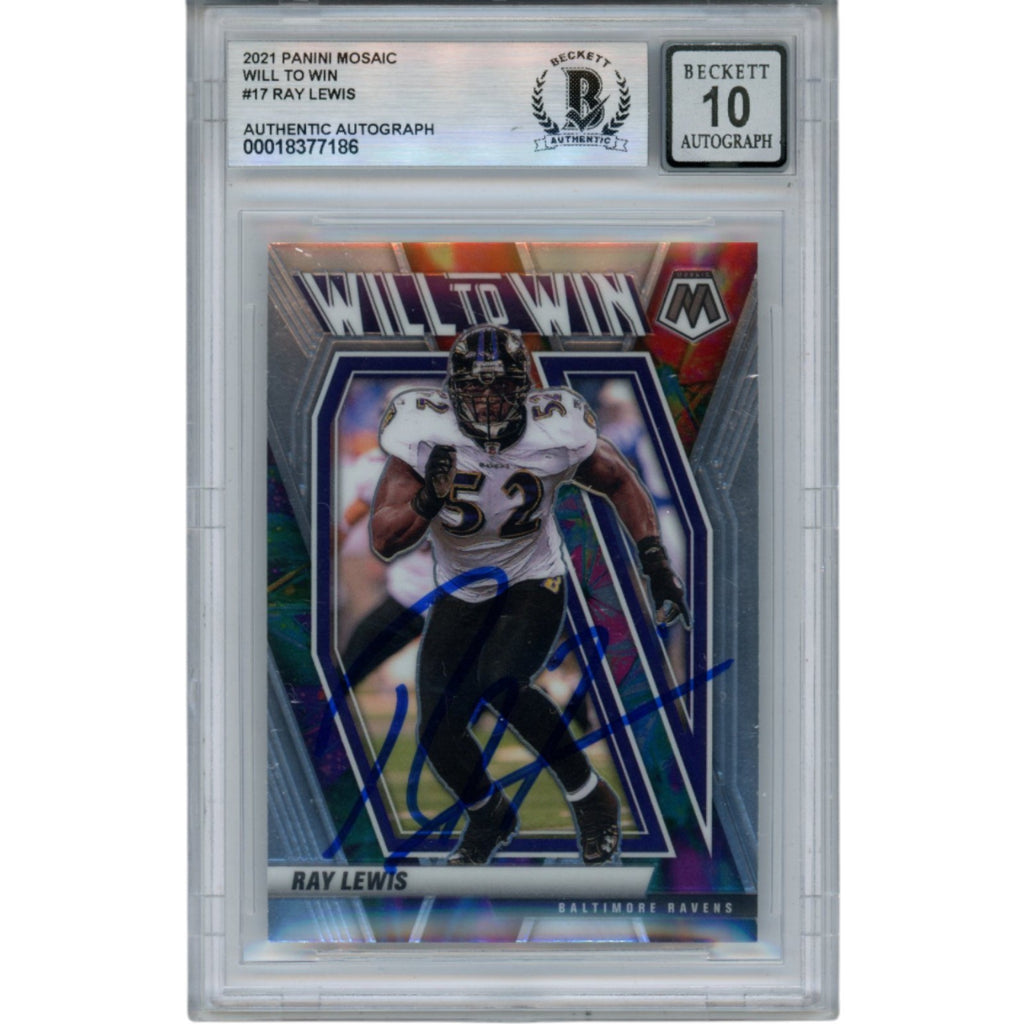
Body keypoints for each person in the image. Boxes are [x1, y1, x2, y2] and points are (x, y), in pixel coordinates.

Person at [370, 325, 690, 866]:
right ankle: (489, 815)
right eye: (475, 388)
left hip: (532, 579)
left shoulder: (554, 429)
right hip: (461, 587)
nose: (487, 401)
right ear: (453, 391)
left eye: (500, 386)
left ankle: (591, 798)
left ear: (524, 388)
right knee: (438, 732)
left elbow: (619, 480)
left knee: (501, 680)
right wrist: (426, 501)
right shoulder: (424, 434)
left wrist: (655, 562)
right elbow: (384, 539)